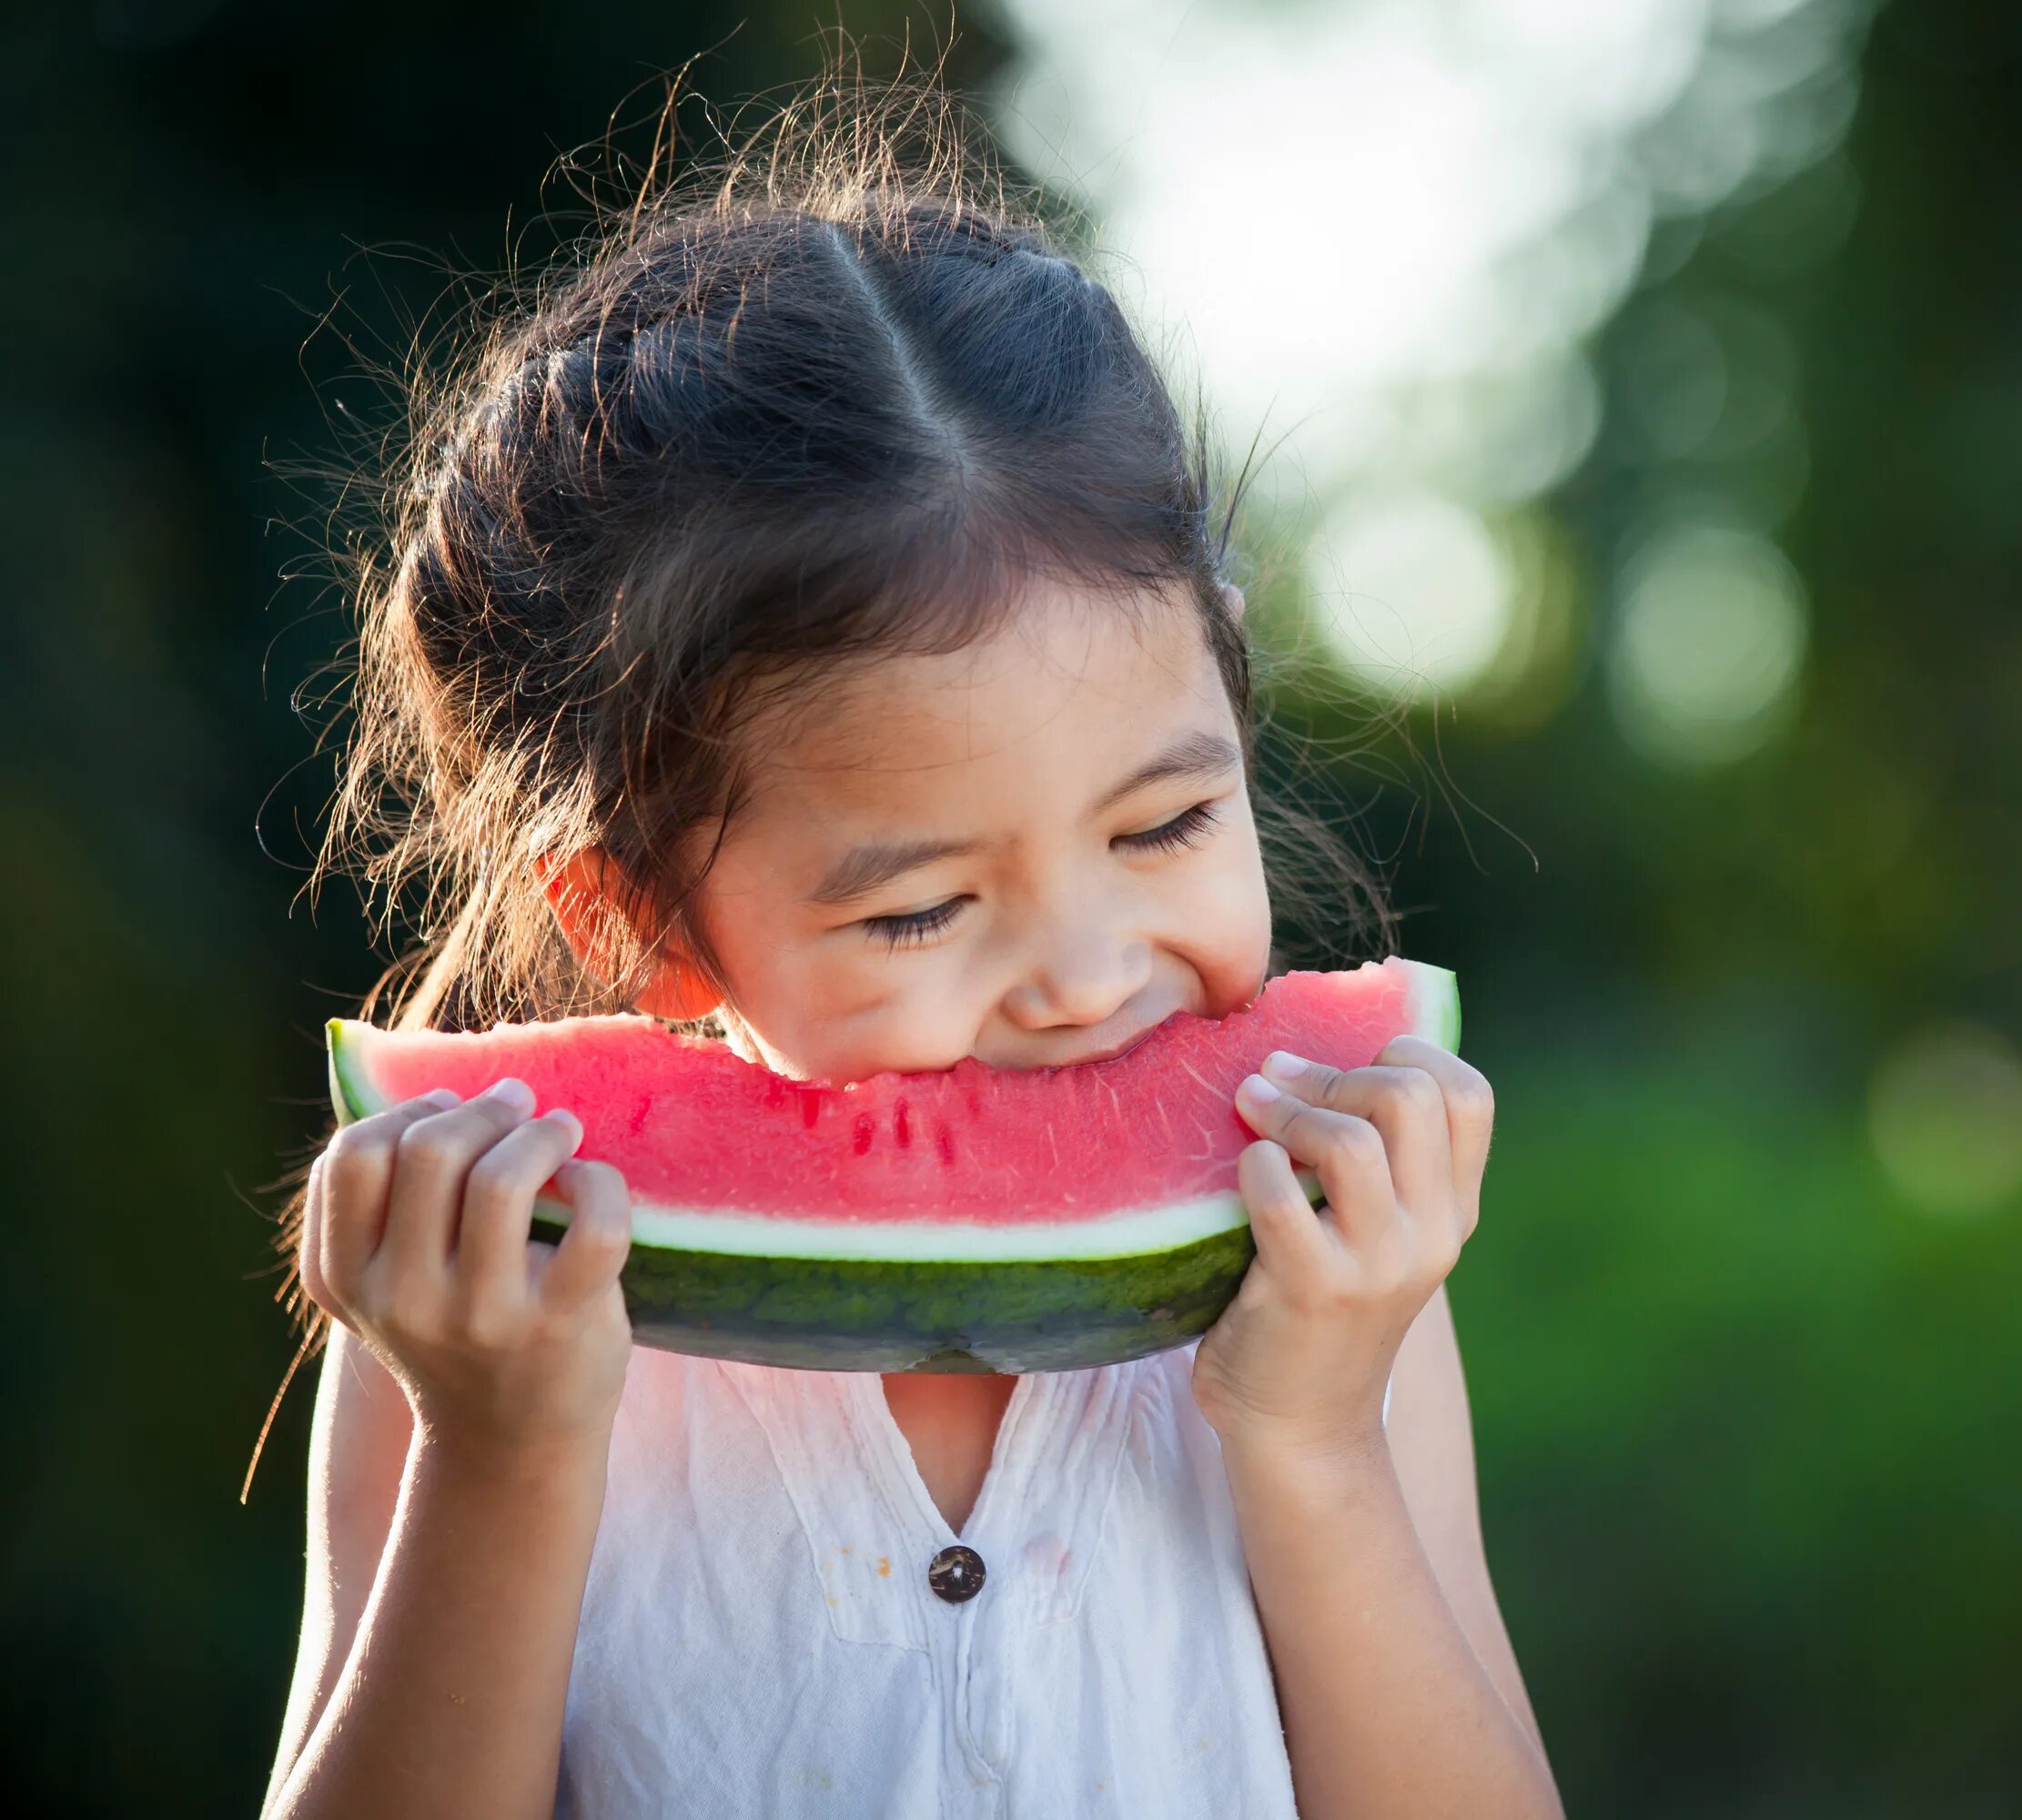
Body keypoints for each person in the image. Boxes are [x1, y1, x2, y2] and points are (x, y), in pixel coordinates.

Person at [260, 80, 1560, 1820]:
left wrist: (1312, 1441)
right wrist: (501, 1458)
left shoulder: (1339, 1278)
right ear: (641, 920)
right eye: (921, 909)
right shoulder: (477, 1310)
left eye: (1164, 826)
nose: (1088, 975)